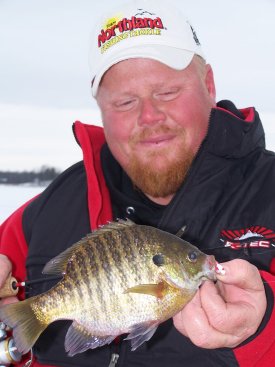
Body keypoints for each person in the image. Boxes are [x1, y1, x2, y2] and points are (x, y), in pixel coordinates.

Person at [0, 0, 274, 366]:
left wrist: (263, 330)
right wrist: (10, 347)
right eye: (125, 101)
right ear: (100, 108)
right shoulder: (47, 210)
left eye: (167, 93)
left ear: (208, 84)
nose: (149, 116)